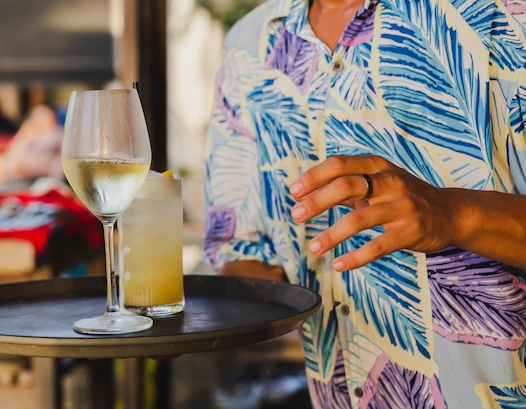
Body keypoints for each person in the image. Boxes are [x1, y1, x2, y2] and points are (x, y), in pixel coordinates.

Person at [203, 0, 526, 408]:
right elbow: (248, 259)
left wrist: (453, 214)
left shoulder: (501, 16)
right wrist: (178, 319)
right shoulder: (248, 45)